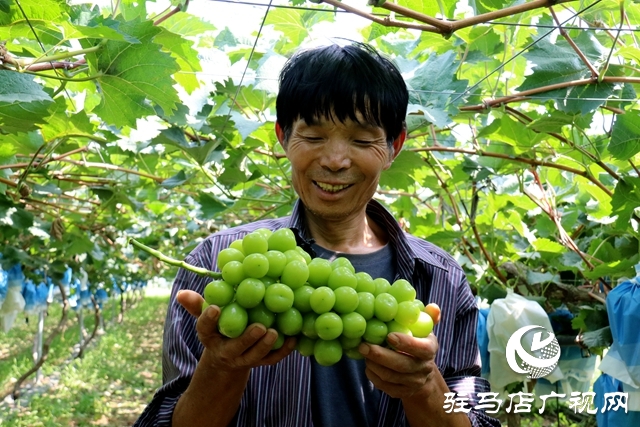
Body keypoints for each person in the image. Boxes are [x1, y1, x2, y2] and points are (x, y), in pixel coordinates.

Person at [134, 41, 501, 427]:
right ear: (282, 137)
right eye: (312, 137)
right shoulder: (219, 264)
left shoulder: (442, 278)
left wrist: (424, 386)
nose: (335, 160)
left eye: (361, 140)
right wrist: (221, 368)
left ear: (394, 146)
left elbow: (474, 419)